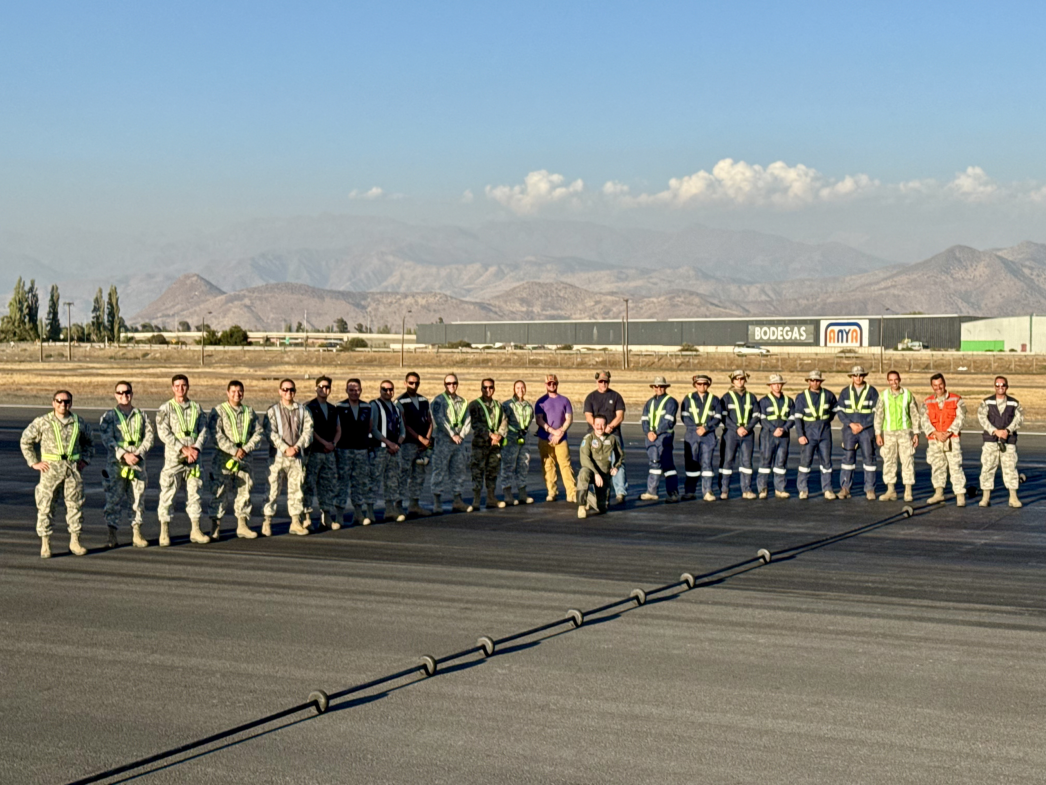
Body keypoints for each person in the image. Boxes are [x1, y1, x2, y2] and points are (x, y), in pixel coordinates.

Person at [21, 390, 94, 558]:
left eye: (66, 402)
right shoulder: (43, 422)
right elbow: (26, 440)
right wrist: (34, 462)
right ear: (53, 403)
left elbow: (89, 443)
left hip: (72, 471)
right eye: (59, 401)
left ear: (71, 403)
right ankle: (45, 543)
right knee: (46, 506)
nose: (63, 405)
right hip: (50, 471)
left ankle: (75, 541)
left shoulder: (79, 422)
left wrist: (85, 460)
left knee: (75, 506)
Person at [156, 374, 211, 546]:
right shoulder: (165, 408)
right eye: (177, 385)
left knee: (195, 494)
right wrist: (183, 448)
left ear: (188, 387)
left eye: (184, 385)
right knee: (168, 494)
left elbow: (204, 430)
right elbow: (164, 432)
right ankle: (164, 531)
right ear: (172, 388)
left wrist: (196, 449)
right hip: (175, 459)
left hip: (194, 459)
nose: (180, 389)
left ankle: (195, 529)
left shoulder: (196, 408)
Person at [98, 381, 154, 548]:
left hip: (137, 463)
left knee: (137, 499)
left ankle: (137, 533)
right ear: (115, 395)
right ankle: (112, 535)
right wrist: (124, 454)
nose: (124, 395)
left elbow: (149, 436)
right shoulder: (109, 417)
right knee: (113, 499)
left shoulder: (141, 415)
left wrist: (138, 453)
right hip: (117, 464)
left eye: (127, 392)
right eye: (120, 392)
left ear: (132, 393)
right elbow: (107, 439)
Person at [208, 380, 265, 539]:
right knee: (219, 491)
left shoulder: (249, 412)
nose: (237, 394)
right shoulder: (218, 411)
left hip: (244, 458)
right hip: (224, 459)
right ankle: (215, 526)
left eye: (240, 391)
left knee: (245, 491)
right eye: (233, 391)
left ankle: (242, 525)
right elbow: (215, 434)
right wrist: (233, 450)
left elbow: (258, 433)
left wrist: (245, 449)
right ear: (227, 393)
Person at [263, 379, 314, 535]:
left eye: (291, 390)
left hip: (297, 457)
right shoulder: (272, 411)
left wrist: (297, 447)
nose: (288, 393)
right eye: (285, 390)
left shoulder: (303, 410)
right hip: (277, 458)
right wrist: (285, 448)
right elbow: (269, 433)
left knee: (296, 490)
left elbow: (308, 431)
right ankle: (267, 522)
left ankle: (296, 522)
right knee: (272, 491)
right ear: (280, 391)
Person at [977, 376, 1024, 508]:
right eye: (997, 385)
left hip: (1008, 441)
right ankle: (985, 497)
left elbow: (1019, 419)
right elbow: (982, 418)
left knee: (1010, 468)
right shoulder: (987, 402)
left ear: (1007, 387)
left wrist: (1007, 431)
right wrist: (994, 431)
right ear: (994, 386)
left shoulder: (1014, 403)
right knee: (987, 468)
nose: (1000, 387)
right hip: (991, 441)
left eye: (1003, 385)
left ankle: (1013, 498)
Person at [921, 373, 967, 507]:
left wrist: (949, 432)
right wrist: (935, 433)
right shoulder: (927, 402)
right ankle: (939, 493)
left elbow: (961, 417)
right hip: (935, 439)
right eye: (935, 385)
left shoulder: (956, 399)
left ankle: (959, 495)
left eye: (940, 384)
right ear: (931, 386)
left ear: (944, 384)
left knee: (955, 467)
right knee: (937, 466)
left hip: (951, 438)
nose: (938, 387)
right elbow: (924, 420)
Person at [874, 371, 920, 502]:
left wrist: (916, 433)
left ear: (899, 380)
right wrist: (878, 433)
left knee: (907, 461)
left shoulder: (907, 395)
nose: (894, 382)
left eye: (896, 380)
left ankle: (908, 491)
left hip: (904, 432)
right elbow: (879, 415)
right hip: (888, 433)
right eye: (891, 380)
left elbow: (915, 414)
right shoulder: (883, 396)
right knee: (889, 461)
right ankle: (890, 490)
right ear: (888, 381)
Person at [792, 370, 838, 500]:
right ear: (808, 381)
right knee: (805, 462)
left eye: (817, 380)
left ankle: (828, 489)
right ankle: (803, 489)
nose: (815, 382)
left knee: (826, 463)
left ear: (821, 381)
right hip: (808, 433)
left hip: (824, 432)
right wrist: (800, 434)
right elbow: (798, 418)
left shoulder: (828, 395)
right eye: (812, 380)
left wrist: (826, 420)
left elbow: (835, 409)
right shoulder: (802, 397)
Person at [304, 376, 342, 530]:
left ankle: (326, 516)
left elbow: (339, 429)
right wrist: (324, 443)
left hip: (329, 453)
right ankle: (306, 517)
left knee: (328, 485)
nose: (324, 390)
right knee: (309, 485)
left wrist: (333, 444)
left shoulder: (333, 409)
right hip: (314, 452)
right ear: (316, 388)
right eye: (321, 386)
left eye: (327, 387)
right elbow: (310, 430)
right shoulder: (308, 407)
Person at [583, 371, 627, 503]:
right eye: (601, 381)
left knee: (617, 462)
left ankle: (620, 492)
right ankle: (598, 491)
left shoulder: (616, 396)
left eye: (606, 381)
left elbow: (620, 415)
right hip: (595, 435)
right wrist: (599, 428)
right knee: (595, 463)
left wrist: (610, 427)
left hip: (613, 434)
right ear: (597, 381)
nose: (603, 384)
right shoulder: (591, 397)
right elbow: (588, 416)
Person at [431, 374, 472, 514]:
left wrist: (460, 435)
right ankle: (437, 501)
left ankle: (457, 500)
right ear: (444, 385)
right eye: (448, 383)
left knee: (459, 471)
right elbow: (439, 419)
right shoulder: (438, 401)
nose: (452, 386)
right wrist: (451, 434)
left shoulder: (463, 402)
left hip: (459, 442)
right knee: (439, 471)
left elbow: (468, 420)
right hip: (444, 441)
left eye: (454, 383)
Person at [836, 365, 879, 500]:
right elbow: (840, 411)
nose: (858, 378)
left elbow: (876, 412)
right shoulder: (845, 392)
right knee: (847, 459)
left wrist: (863, 425)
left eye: (860, 375)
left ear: (864, 376)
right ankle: (845, 488)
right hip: (850, 430)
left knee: (869, 459)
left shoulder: (872, 391)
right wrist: (851, 424)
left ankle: (870, 489)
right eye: (855, 375)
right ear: (851, 377)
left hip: (866, 430)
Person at [335, 378, 374, 525]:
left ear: (361, 390)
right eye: (351, 390)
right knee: (342, 482)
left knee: (359, 482)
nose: (354, 393)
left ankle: (358, 513)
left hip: (361, 450)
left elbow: (370, 426)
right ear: (346, 391)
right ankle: (339, 514)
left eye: (357, 390)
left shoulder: (366, 406)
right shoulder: (340, 406)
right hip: (344, 450)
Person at [536, 373, 577, 503]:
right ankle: (551, 491)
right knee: (548, 465)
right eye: (549, 383)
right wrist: (552, 431)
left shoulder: (564, 400)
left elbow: (569, 418)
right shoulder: (540, 402)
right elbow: (539, 420)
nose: (552, 385)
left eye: (554, 383)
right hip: (545, 438)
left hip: (561, 439)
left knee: (565, 465)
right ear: (545, 385)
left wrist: (560, 432)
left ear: (557, 384)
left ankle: (572, 492)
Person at [680, 374, 721, 502]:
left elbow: (718, 417)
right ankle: (690, 491)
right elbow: (684, 416)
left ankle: (707, 491)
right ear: (695, 385)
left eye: (704, 384)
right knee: (691, 463)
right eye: (699, 384)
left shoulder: (714, 400)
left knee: (707, 463)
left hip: (708, 435)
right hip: (692, 434)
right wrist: (695, 428)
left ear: (708, 385)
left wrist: (706, 428)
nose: (702, 386)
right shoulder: (688, 398)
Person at [469, 378, 509, 509]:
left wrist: (499, 435)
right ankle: (476, 499)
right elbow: (475, 424)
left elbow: (504, 421)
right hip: (480, 444)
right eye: (485, 387)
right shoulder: (475, 405)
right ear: (481, 389)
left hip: (494, 445)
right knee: (477, 471)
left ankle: (491, 498)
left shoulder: (498, 405)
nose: (488, 390)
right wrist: (489, 434)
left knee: (492, 471)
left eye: (491, 387)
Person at [719, 370, 759, 500]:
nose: (740, 381)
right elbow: (723, 417)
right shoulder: (726, 397)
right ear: (733, 381)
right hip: (731, 433)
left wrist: (747, 428)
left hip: (747, 434)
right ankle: (724, 490)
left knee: (746, 462)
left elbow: (756, 415)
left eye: (742, 379)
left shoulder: (751, 397)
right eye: (737, 379)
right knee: (728, 461)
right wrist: (737, 428)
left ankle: (746, 490)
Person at [371, 379, 407, 522]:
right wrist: (388, 443)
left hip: (395, 451)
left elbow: (402, 430)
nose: (388, 392)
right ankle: (369, 510)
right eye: (384, 389)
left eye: (390, 389)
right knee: (374, 480)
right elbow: (373, 429)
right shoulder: (374, 405)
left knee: (393, 481)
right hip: (380, 450)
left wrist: (396, 444)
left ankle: (390, 509)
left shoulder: (396, 408)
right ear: (380, 390)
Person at [397, 372, 432, 518]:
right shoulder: (400, 401)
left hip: (422, 446)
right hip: (408, 444)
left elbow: (430, 421)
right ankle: (398, 505)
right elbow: (404, 425)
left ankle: (414, 504)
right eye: (411, 383)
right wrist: (420, 439)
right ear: (405, 383)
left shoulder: (424, 400)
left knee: (419, 475)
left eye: (416, 383)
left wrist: (427, 440)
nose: (414, 385)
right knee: (403, 475)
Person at [639, 376, 679, 502]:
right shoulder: (649, 403)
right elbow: (645, 419)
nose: (659, 388)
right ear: (653, 387)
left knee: (667, 465)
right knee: (654, 464)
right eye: (656, 386)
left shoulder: (671, 402)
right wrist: (648, 432)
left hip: (664, 437)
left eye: (661, 386)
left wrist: (655, 432)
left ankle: (673, 493)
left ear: (665, 387)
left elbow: (668, 421)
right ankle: (652, 491)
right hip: (651, 437)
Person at [577, 415, 624, 518]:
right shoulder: (588, 439)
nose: (600, 427)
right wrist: (596, 473)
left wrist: (616, 466)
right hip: (591, 471)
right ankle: (581, 505)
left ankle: (588, 496)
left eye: (602, 425)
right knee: (583, 473)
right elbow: (584, 459)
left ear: (606, 425)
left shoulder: (612, 439)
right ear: (593, 425)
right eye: (597, 424)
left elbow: (620, 455)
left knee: (602, 508)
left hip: (604, 474)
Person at [757, 373, 794, 499]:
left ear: (782, 385)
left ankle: (780, 488)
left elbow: (792, 417)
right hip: (768, 435)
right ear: (770, 386)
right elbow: (762, 419)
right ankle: (762, 489)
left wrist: (784, 429)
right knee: (765, 461)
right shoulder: (763, 401)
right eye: (774, 384)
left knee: (780, 462)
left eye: (779, 384)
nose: (777, 386)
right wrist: (774, 429)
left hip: (783, 435)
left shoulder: (789, 401)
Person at [501, 380, 535, 505]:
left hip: (524, 438)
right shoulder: (508, 405)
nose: (520, 390)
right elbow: (503, 420)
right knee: (508, 465)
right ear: (514, 389)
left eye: (522, 387)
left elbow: (530, 419)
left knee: (523, 464)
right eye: (517, 388)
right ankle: (507, 493)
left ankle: (522, 493)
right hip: (511, 438)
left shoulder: (528, 406)